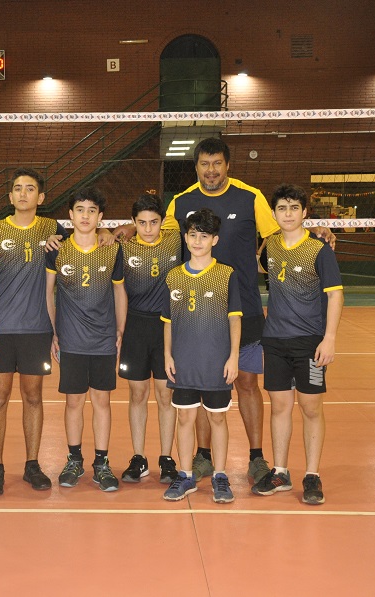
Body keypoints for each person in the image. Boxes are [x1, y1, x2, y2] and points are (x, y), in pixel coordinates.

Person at [114, 138, 334, 486]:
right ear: (196, 167)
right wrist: (126, 229)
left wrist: (316, 229)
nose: (211, 170)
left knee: (246, 382)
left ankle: (257, 457)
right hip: (197, 315)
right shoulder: (182, 201)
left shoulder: (250, 197)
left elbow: (282, 230)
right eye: (204, 164)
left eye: (217, 163)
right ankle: (203, 456)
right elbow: (153, 229)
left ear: (227, 165)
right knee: (202, 383)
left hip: (243, 308)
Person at [251, 184, 344, 505]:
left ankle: (312, 474)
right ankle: (280, 471)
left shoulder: (319, 250)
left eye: (294, 208)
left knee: (311, 407)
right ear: (274, 213)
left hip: (310, 343)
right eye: (282, 208)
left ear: (304, 212)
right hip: (275, 341)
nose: (288, 214)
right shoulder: (272, 246)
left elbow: (336, 296)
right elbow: (260, 264)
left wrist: (329, 338)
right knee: (279, 407)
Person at [0, 167, 64, 496]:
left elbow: (87, 239)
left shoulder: (53, 230)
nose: (23, 193)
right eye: (17, 188)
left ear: (41, 197)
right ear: (10, 196)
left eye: (30, 188)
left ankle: (32, 464)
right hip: (0, 328)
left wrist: (110, 233)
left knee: (33, 397)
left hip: (36, 330)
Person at [46, 187, 127, 492]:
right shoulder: (57, 250)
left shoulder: (111, 250)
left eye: (92, 211)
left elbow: (119, 291)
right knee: (74, 401)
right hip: (71, 339)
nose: (85, 216)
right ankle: (74, 459)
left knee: (102, 401)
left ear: (100, 217)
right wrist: (53, 332)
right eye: (80, 210)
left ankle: (102, 463)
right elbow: (48, 292)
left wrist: (120, 331)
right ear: (70, 215)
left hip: (104, 339)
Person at [162, 209, 241, 503]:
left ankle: (220, 476)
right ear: (185, 237)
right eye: (193, 235)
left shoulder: (226, 275)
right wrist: (168, 355)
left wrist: (233, 357)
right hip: (184, 361)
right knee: (185, 417)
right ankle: (185, 475)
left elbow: (235, 319)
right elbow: (167, 321)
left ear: (214, 240)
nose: (197, 241)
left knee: (217, 419)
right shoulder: (173, 276)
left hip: (216, 362)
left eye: (204, 236)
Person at [117, 192, 181, 484]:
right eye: (141, 223)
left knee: (166, 394)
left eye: (154, 222)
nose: (148, 228)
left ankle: (166, 458)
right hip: (135, 327)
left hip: (167, 327)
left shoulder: (175, 239)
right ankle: (139, 457)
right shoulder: (123, 247)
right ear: (133, 221)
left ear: (162, 221)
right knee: (138, 394)